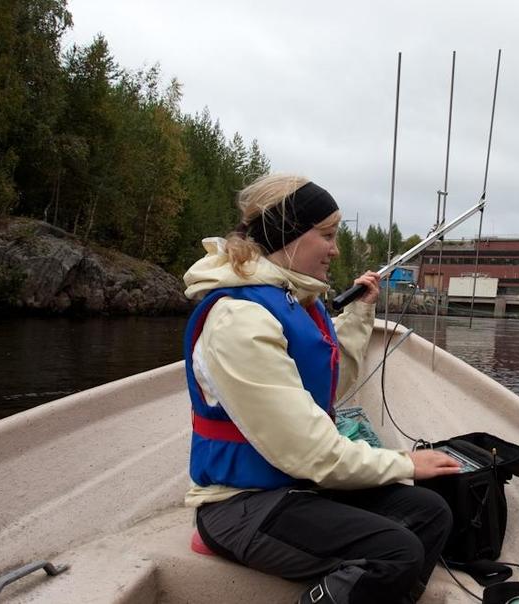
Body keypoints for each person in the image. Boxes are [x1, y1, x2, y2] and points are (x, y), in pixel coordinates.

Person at [182, 173, 461, 604]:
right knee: (395, 552)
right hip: (238, 506)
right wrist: (404, 463)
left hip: (295, 487)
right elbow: (311, 453)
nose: (334, 249)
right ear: (288, 235)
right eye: (327, 236)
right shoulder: (238, 320)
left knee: (430, 513)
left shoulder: (294, 301)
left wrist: (360, 315)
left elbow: (327, 384)